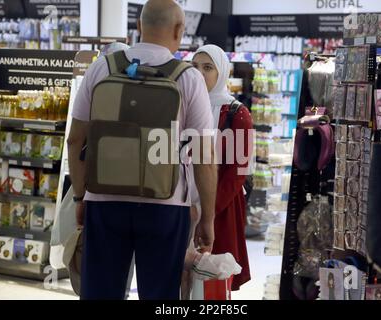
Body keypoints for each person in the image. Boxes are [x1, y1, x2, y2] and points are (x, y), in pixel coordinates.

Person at [67, 0, 217, 300]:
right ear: (179, 30)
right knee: (160, 294)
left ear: (138, 27)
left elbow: (74, 140)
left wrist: (81, 196)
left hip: (104, 202)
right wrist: (208, 219)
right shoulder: (188, 78)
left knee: (101, 292)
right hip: (166, 205)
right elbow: (205, 156)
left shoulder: (101, 68)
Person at [189, 44, 253, 291]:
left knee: (214, 280)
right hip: (181, 206)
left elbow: (236, 173)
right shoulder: (182, 105)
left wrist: (208, 211)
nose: (199, 73)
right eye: (194, 67)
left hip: (219, 208)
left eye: (207, 67)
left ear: (221, 72)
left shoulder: (237, 113)